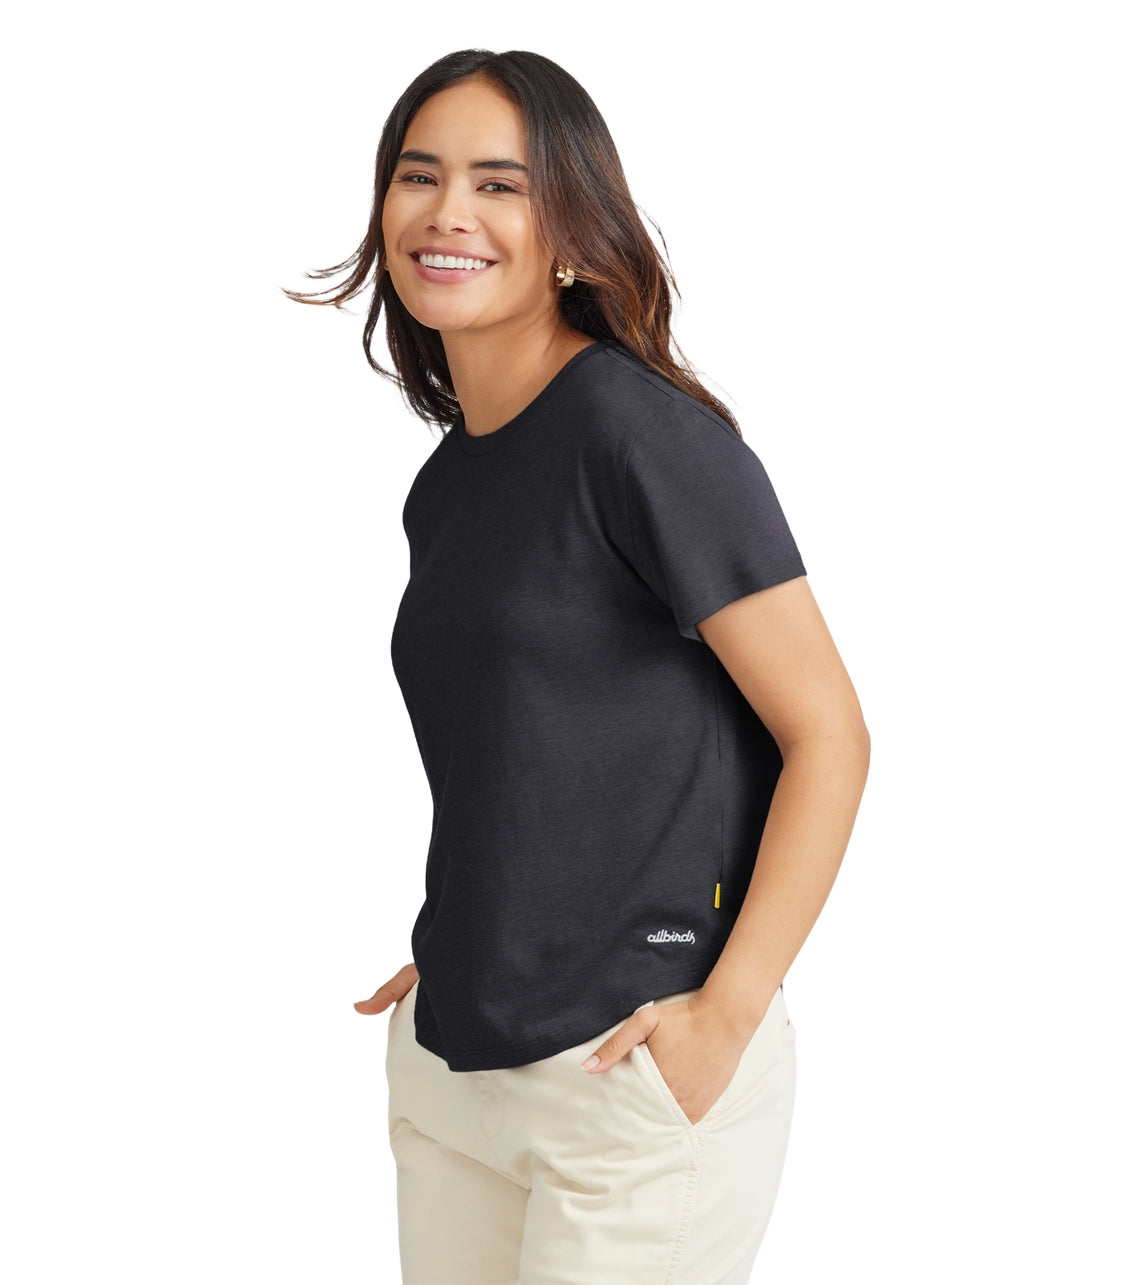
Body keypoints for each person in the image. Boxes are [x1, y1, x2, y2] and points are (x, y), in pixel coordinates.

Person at [287, 47, 870, 1285]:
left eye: (498, 184)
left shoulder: (638, 435)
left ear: (567, 225)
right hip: (458, 1064)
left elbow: (827, 733)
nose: (448, 212)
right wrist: (483, 941)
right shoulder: (449, 483)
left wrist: (727, 1012)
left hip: (627, 1070)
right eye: (419, 176)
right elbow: (530, 747)